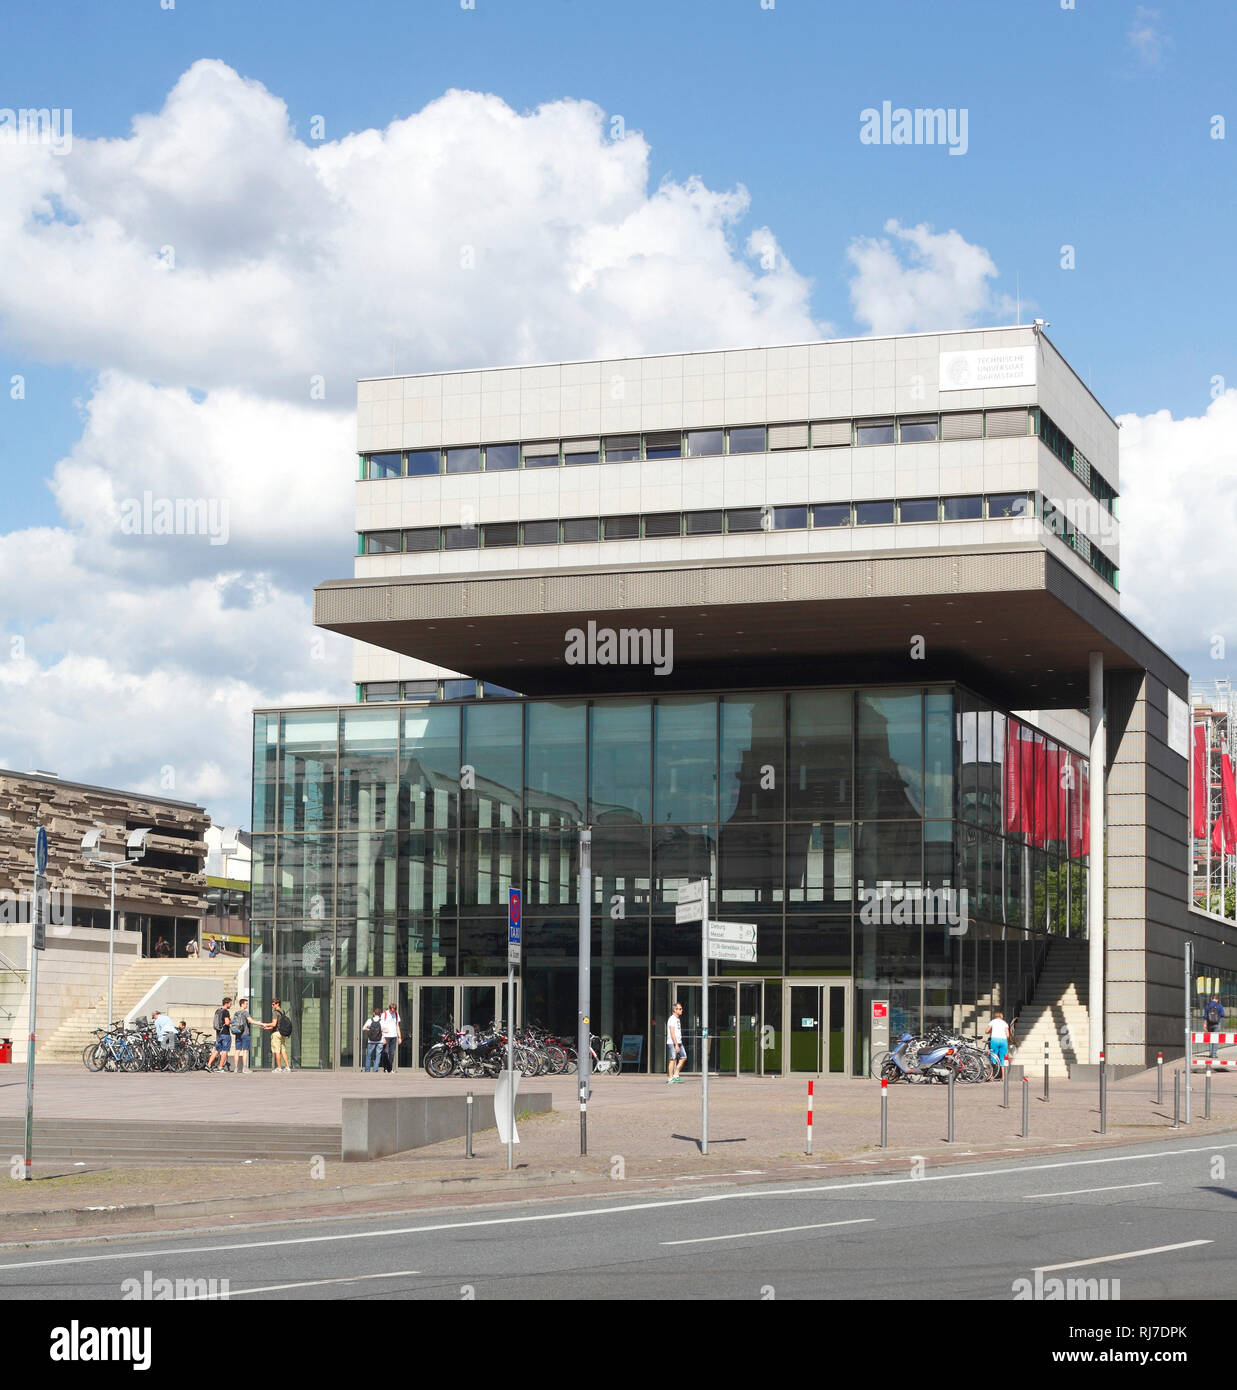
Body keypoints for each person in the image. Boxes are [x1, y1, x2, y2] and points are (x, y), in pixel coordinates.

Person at [251, 998, 293, 1074]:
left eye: (273, 1004)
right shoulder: (282, 1011)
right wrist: (268, 1028)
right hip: (282, 1033)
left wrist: (265, 1024)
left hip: (276, 1034)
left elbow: (274, 1024)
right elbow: (277, 1024)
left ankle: (279, 1068)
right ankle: (287, 1067)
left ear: (278, 1004)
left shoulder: (275, 1013)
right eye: (272, 1004)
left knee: (277, 1050)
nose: (272, 1005)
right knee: (283, 1050)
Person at [205, 996, 233, 1073]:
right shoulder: (226, 1011)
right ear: (226, 1003)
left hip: (218, 1033)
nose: (231, 1005)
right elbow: (227, 1022)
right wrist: (232, 1021)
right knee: (225, 1050)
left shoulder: (217, 1011)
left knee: (217, 1050)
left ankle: (209, 1065)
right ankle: (220, 1067)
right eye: (230, 1004)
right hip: (225, 1033)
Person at [986, 1010, 1011, 1078]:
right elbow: (1008, 1035)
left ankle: (991, 1075)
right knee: (1003, 1058)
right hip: (1004, 1041)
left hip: (994, 1040)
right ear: (1001, 1016)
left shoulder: (992, 1022)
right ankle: (1003, 1077)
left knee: (993, 1057)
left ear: (995, 1016)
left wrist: (992, 1030)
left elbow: (986, 1031)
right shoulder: (1004, 1023)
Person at [231, 997, 252, 1074]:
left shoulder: (236, 1013)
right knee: (245, 1051)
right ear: (242, 1004)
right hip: (245, 1033)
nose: (247, 1005)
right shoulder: (245, 1012)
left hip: (238, 1033)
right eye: (246, 1004)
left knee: (237, 1051)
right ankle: (244, 1068)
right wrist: (261, 1023)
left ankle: (236, 1068)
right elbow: (250, 1021)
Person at [666, 1001, 686, 1084]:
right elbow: (672, 1032)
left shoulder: (677, 1019)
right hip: (673, 1043)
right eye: (680, 1009)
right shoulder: (672, 1019)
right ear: (675, 1010)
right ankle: (670, 1078)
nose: (681, 1010)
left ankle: (676, 1075)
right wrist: (676, 1045)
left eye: (681, 1009)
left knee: (684, 1057)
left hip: (679, 1042)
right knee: (672, 1059)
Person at [379, 1000, 401, 1073]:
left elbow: (397, 1026)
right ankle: (385, 1068)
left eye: (394, 1010)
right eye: (391, 1010)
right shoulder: (384, 1014)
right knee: (385, 1052)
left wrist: (399, 1037)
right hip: (386, 1036)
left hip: (394, 1036)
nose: (392, 1012)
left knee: (392, 1053)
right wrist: (383, 1037)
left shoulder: (396, 1014)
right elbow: (381, 1026)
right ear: (389, 1009)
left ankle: (390, 1069)